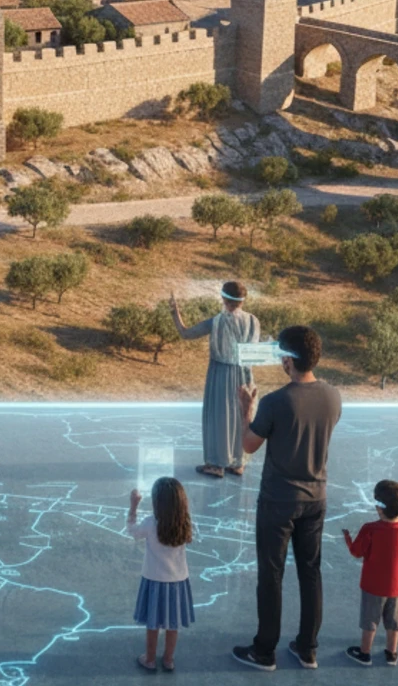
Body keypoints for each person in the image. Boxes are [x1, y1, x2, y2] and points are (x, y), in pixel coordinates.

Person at [232, 325, 342, 671]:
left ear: (288, 360)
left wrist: (246, 410)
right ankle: (307, 647)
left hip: (279, 501)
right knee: (311, 573)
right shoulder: (333, 396)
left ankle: (265, 650)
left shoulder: (275, 401)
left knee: (271, 574)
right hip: (316, 498)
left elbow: (248, 445)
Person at [169, 281, 261, 479]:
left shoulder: (217, 321)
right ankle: (238, 462)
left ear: (224, 298)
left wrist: (175, 314)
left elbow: (186, 333)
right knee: (242, 415)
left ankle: (216, 464)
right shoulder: (253, 321)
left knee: (218, 417)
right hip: (245, 373)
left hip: (221, 373)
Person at [342, 479, 398, 666]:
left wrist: (347, 538)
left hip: (372, 585)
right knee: (394, 621)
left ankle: (365, 652)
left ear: (380, 508)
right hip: (396, 585)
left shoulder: (370, 529)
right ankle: (391, 653)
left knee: (370, 620)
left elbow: (356, 552)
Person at [128, 476, 195, 673]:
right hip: (177, 582)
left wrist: (133, 507)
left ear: (157, 502)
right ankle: (168, 659)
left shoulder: (150, 523)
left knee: (153, 623)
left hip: (154, 580)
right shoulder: (184, 522)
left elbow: (132, 531)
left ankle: (149, 659)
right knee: (172, 624)